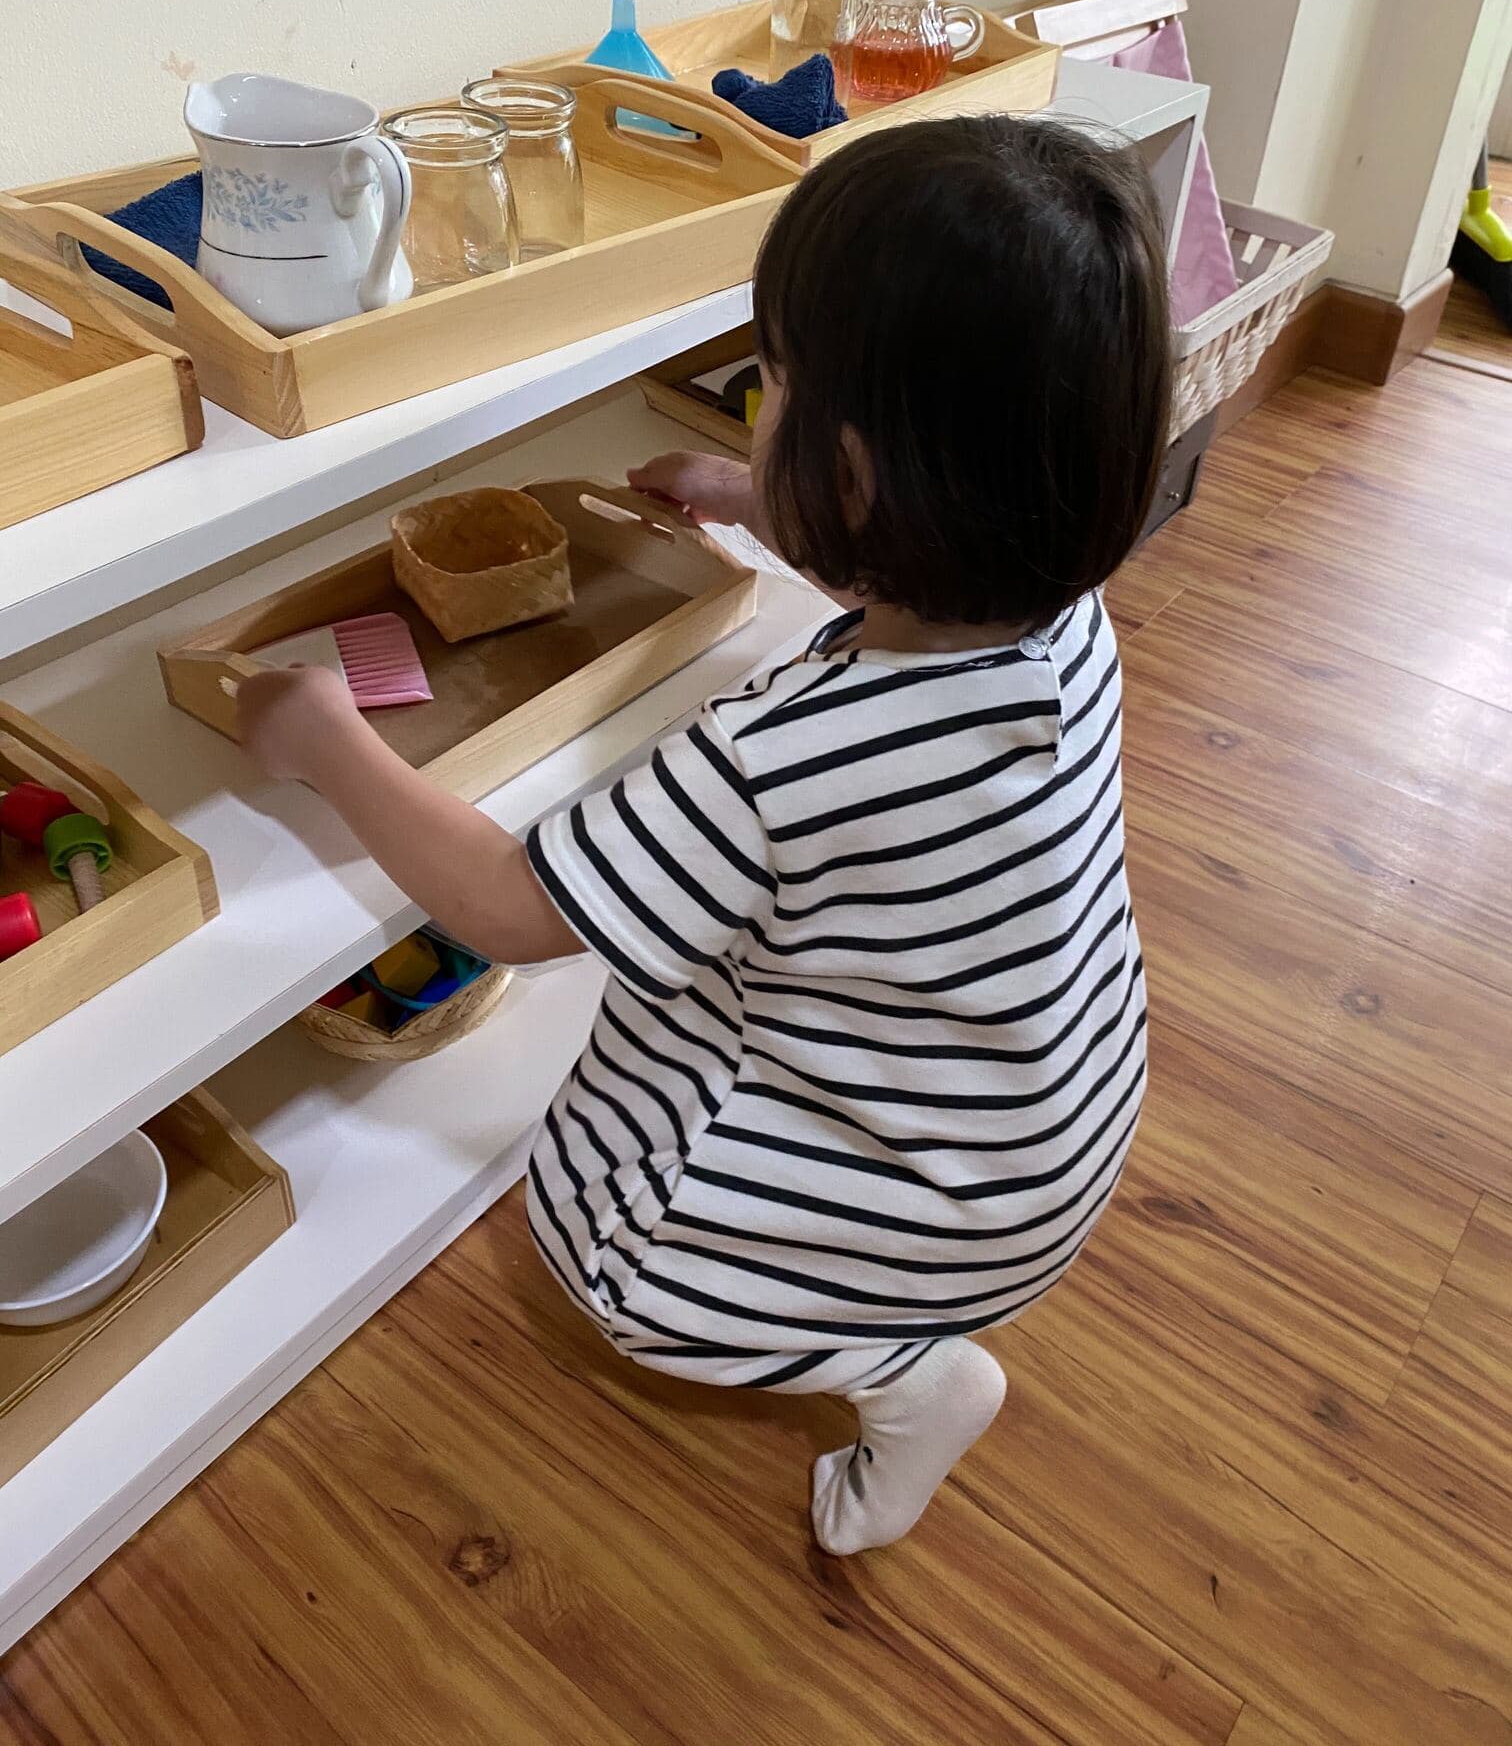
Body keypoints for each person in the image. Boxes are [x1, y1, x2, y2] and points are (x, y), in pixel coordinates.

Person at [236, 114, 1172, 1555]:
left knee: (609, 1256)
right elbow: (916, 550)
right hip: (1048, 1125)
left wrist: (326, 742)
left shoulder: (782, 760)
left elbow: (503, 905)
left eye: (772, 386)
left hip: (915, 1188)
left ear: (862, 477)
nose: (754, 406)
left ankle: (905, 1370)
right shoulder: (1057, 616)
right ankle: (900, 1317)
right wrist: (757, 501)